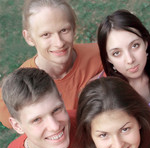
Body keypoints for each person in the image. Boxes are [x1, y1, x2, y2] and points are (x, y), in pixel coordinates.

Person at [0, 0, 103, 129]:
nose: (59, 43)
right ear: (29, 38)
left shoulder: (101, 55)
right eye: (46, 34)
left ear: (74, 28)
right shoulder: (17, 90)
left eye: (64, 30)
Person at [97, 9, 150, 102]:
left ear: (145, 42)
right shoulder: (105, 96)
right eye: (116, 53)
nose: (130, 60)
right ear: (108, 58)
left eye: (135, 46)